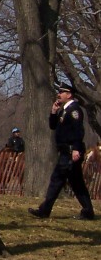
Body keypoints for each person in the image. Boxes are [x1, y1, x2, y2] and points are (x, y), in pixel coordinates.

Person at [29, 83, 95, 220]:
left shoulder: (74, 110)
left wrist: (76, 148)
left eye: (61, 92)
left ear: (69, 94)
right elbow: (53, 126)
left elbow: (78, 131)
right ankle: (88, 211)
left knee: (57, 180)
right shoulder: (64, 110)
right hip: (65, 152)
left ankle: (44, 210)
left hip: (70, 152)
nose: (59, 94)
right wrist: (53, 111)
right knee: (77, 183)